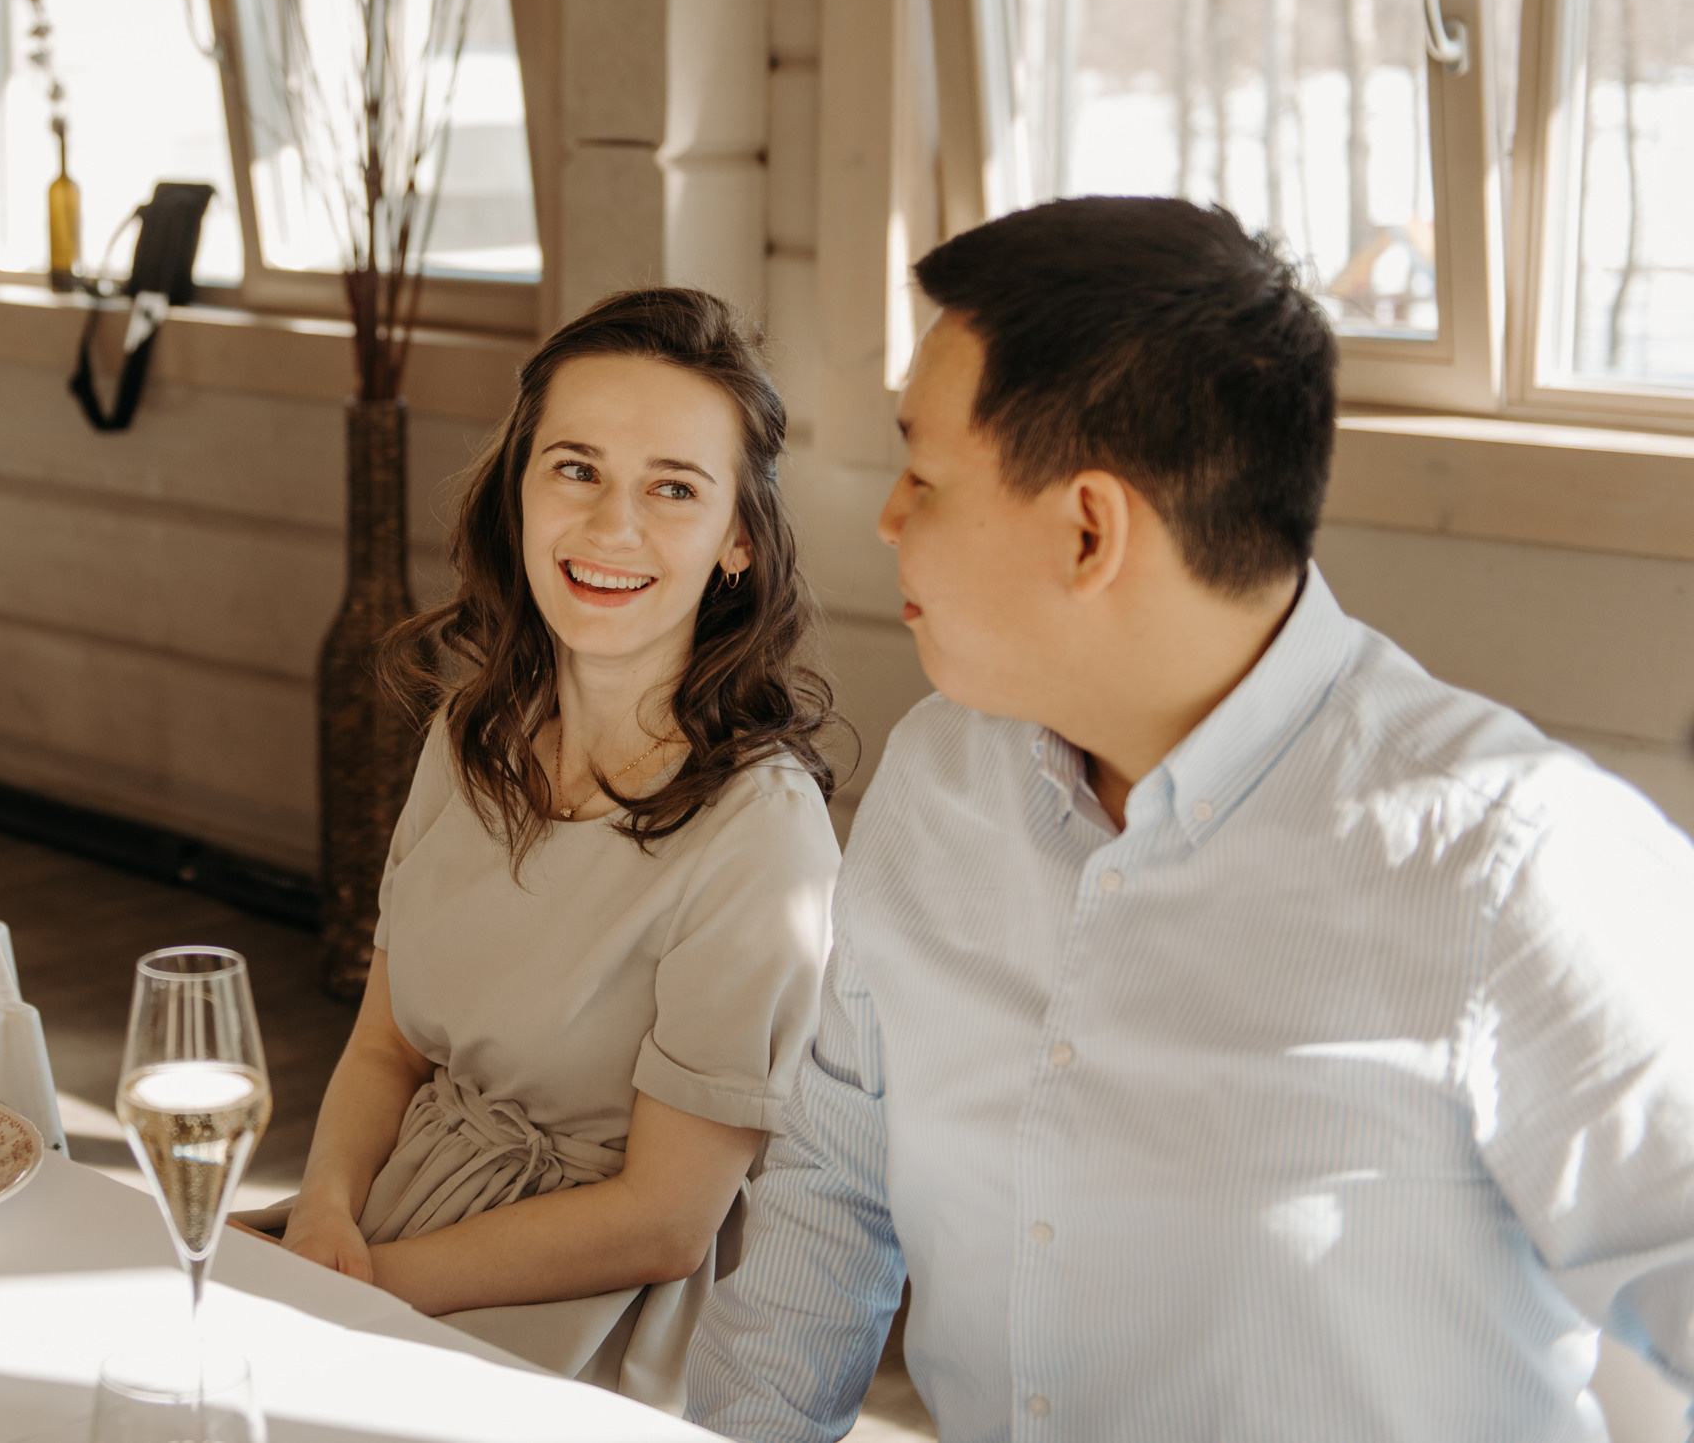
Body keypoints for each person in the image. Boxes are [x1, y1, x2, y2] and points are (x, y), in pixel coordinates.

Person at [686, 196, 1694, 1441]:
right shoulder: (938, 779)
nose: (890, 517)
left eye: (924, 473)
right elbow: (835, 1195)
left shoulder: (1516, 866)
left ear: (1091, 529)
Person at [269, 287, 843, 1411]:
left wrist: (368, 1286)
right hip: (368, 1245)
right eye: (575, 469)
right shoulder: (469, 733)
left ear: (738, 536)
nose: (610, 528)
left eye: (672, 489)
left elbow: (666, 1222)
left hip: (570, 1337)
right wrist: (323, 1213)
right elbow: (386, 1046)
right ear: (519, 490)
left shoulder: (760, 834)